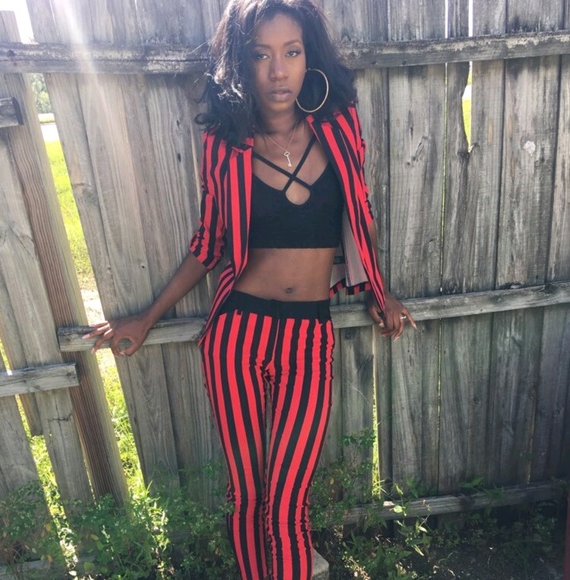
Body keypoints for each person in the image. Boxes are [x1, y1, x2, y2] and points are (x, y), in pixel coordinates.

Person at [85, 0, 416, 578]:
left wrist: (377, 290)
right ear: (241, 64)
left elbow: (360, 214)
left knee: (286, 506)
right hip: (237, 335)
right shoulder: (227, 144)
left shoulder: (340, 127)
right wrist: (147, 317)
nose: (278, 71)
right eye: (261, 55)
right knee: (249, 497)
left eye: (291, 52)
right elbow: (209, 242)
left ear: (309, 57)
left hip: (309, 336)